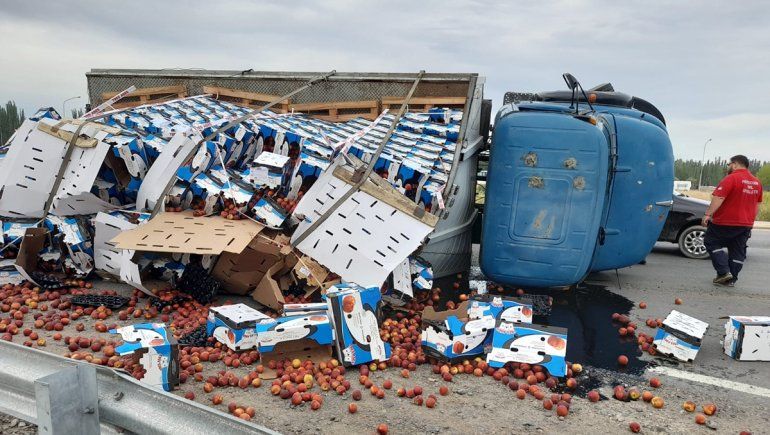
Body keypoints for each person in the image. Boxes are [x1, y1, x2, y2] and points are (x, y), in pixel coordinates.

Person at [702, 155, 763, 286]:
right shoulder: (757, 182)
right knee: (737, 250)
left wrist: (708, 214)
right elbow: (757, 205)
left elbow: (718, 198)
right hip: (745, 224)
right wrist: (750, 221)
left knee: (711, 242)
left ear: (735, 164)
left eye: (729, 164)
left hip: (724, 222)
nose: (728, 167)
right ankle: (731, 279)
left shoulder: (731, 178)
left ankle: (724, 272)